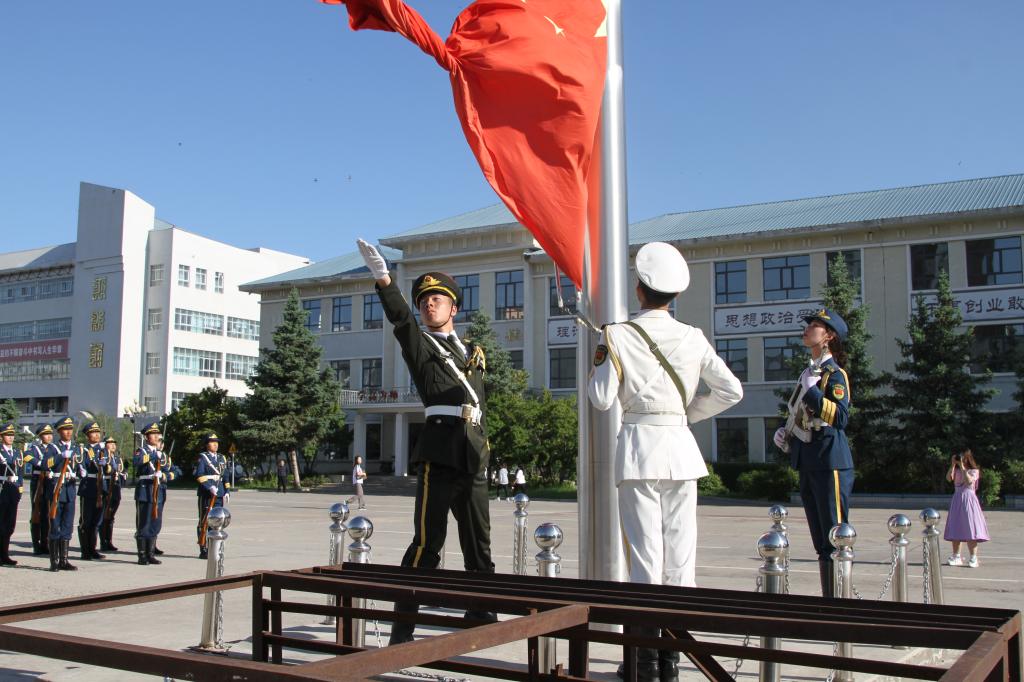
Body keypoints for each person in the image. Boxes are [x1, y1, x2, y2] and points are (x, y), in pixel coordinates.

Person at [589, 242, 743, 682]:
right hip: (680, 450)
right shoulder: (693, 336)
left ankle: (643, 663)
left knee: (644, 559)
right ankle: (672, 662)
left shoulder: (618, 334)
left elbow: (600, 399)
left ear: (639, 290)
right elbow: (732, 391)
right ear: (673, 295)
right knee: (679, 559)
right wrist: (685, 414)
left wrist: (601, 352)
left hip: (640, 450)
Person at [357, 238, 495, 645]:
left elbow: (480, 404)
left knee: (479, 544)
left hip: (472, 453)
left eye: (437, 299)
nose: (428, 304)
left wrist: (485, 448)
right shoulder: (420, 344)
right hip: (439, 453)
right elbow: (401, 321)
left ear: (454, 308)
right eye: (424, 301)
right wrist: (384, 280)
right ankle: (403, 628)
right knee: (427, 543)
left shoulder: (473, 352)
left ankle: (481, 612)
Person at [773, 307, 854, 598]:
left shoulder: (835, 375)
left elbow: (841, 418)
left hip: (830, 460)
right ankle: (829, 599)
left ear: (828, 336)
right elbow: (800, 415)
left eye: (814, 326)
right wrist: (785, 433)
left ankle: (840, 601)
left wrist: (814, 393)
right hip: (808, 459)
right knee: (820, 540)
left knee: (835, 535)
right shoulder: (809, 373)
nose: (807, 330)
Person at [134, 422, 180, 565]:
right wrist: (154, 455)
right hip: (145, 490)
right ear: (146, 437)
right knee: (144, 523)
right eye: (152, 434)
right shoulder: (142, 451)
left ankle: (151, 554)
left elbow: (175, 471)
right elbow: (137, 462)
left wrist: (164, 476)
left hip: (159, 491)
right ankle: (142, 555)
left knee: (155, 523)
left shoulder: (163, 455)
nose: (156, 437)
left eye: (157, 434)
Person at [46, 416, 83, 572]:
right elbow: (45, 464)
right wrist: (60, 456)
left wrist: (81, 471)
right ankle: (54, 561)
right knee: (55, 526)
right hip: (57, 489)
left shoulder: (76, 448)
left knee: (67, 526)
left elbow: (80, 464)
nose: (68, 432)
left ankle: (64, 560)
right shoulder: (53, 448)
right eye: (65, 430)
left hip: (70, 490)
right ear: (59, 432)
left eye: (70, 429)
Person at [944, 449, 989, 568]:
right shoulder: (956, 470)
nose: (960, 460)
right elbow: (948, 478)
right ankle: (956, 556)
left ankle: (973, 558)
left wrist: (962, 467)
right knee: (955, 527)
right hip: (957, 499)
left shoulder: (974, 471)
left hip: (969, 500)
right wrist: (953, 465)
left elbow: (969, 482)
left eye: (961, 458)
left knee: (970, 528)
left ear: (967, 459)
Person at [77, 421, 110, 561]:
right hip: (88, 487)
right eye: (93, 433)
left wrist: (106, 465)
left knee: (97, 521)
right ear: (87, 435)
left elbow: (110, 468)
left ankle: (93, 549)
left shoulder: (104, 450)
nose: (96, 435)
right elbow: (80, 466)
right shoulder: (83, 450)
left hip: (101, 487)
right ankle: (85, 551)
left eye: (98, 432)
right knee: (86, 521)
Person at [194, 433, 229, 560]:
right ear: (206, 444)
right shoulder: (203, 457)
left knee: (218, 520)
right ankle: (203, 548)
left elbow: (225, 475)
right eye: (212, 442)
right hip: (207, 493)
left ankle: (214, 547)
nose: (215, 444)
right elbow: (199, 475)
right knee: (204, 521)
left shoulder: (221, 458)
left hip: (219, 493)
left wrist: (227, 490)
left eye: (216, 442)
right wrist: (209, 487)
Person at [23, 424, 52, 555]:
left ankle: (45, 543)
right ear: (40, 436)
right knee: (37, 512)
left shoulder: (54, 448)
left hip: (49, 481)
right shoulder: (35, 448)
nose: (49, 436)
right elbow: (26, 456)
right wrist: (39, 463)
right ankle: (36, 544)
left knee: (47, 513)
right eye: (46, 434)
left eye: (50, 434)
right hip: (38, 482)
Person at [0, 423, 24, 566]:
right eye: (7, 435)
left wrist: (20, 489)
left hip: (13, 490)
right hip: (2, 489)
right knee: (1, 523)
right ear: (1, 437)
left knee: (10, 525)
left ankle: (5, 555)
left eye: (12, 435)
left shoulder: (17, 452)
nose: (10, 437)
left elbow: (20, 472)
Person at [97, 436, 125, 552]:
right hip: (106, 488)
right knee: (104, 516)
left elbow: (121, 470)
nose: (113, 445)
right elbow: (104, 471)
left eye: (114, 443)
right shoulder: (104, 457)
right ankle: (103, 542)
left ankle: (109, 541)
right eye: (110, 443)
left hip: (115, 489)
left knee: (111, 516)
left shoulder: (117, 458)